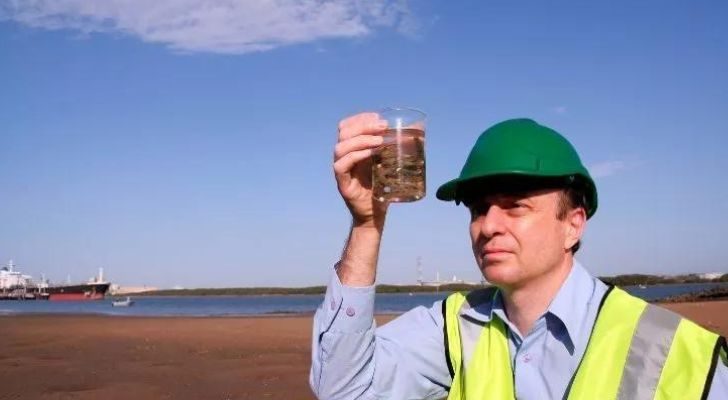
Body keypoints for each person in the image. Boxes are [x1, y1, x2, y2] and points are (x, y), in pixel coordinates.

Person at [310, 115, 728, 399]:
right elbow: (343, 389)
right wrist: (368, 225)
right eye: (477, 208)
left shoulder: (678, 350)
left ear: (574, 224)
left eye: (515, 206)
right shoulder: (451, 329)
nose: (487, 225)